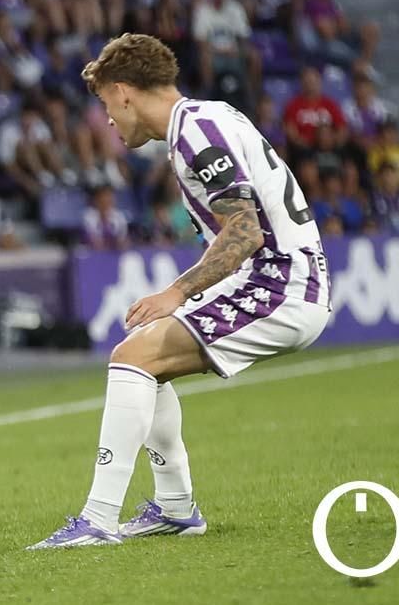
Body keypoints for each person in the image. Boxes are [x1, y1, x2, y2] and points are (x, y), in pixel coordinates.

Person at [28, 34, 330, 549]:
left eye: (105, 104)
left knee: (132, 357)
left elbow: (245, 231)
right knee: (144, 360)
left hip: (280, 282)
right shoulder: (206, 118)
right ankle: (175, 508)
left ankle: (98, 520)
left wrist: (177, 292)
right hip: (279, 278)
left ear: (123, 92)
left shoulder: (195, 131)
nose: (107, 120)